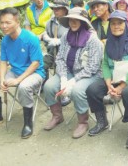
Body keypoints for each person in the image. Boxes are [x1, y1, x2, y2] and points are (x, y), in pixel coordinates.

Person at [0, 7, 45, 138]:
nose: (3, 26)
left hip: (34, 73)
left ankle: (27, 123)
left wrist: (18, 80)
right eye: (1, 22)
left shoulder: (31, 38)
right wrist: (2, 79)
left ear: (17, 22)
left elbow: (35, 63)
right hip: (14, 72)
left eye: (7, 22)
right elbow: (3, 62)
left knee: (24, 87)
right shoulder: (5, 40)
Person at [86, 10, 128, 148]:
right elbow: (106, 64)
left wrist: (121, 87)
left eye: (120, 23)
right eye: (113, 23)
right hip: (115, 77)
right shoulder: (109, 42)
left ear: (125, 24)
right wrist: (108, 85)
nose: (116, 26)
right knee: (92, 90)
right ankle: (102, 121)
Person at [43, 8, 103, 139]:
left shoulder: (93, 40)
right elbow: (60, 58)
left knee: (77, 91)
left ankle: (83, 122)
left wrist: (74, 80)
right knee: (48, 86)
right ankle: (57, 116)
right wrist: (64, 77)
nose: (73, 23)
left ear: (83, 22)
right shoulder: (66, 36)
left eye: (77, 20)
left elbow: (93, 66)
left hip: (89, 75)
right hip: (68, 72)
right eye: (71, 20)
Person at [41, 0, 70, 75]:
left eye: (58, 8)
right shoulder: (50, 22)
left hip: (66, 55)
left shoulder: (71, 21)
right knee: (41, 66)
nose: (55, 10)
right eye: (54, 8)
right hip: (51, 53)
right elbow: (45, 33)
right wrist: (47, 38)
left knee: (60, 73)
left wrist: (60, 41)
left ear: (65, 10)